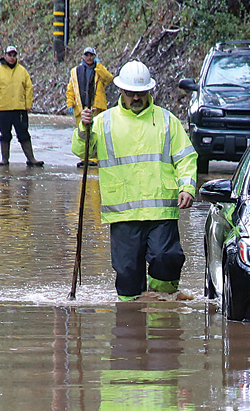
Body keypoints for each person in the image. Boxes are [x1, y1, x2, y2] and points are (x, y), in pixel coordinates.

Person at [72, 60, 197, 301]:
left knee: (166, 258)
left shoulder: (167, 121)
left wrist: (187, 187)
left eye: (140, 93)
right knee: (127, 273)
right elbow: (81, 150)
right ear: (121, 91)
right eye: (130, 93)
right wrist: (83, 129)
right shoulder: (104, 122)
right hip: (123, 213)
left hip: (161, 212)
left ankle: (163, 310)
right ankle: (130, 325)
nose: (135, 98)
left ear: (149, 91)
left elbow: (186, 157)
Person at [0, 45, 44, 167]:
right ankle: (4, 159)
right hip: (3, 109)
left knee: (24, 134)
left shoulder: (22, 71)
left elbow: (29, 88)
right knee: (5, 135)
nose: (12, 58)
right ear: (4, 56)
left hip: (19, 109)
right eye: (9, 55)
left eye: (14, 55)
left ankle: (31, 159)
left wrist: (28, 104)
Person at [66, 46, 113, 168]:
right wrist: (70, 104)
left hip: (96, 107)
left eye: (91, 55)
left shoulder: (99, 70)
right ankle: (84, 158)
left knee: (96, 132)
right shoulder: (76, 71)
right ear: (83, 56)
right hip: (81, 107)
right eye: (87, 55)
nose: (89, 58)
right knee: (82, 133)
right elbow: (71, 90)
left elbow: (109, 79)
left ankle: (95, 158)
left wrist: (99, 66)